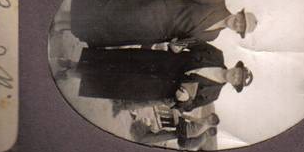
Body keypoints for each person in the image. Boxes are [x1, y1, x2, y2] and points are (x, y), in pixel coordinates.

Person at [66, 0, 258, 49]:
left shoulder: (213, 36)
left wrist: (176, 48)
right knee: (111, 14)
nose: (238, 23)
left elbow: (183, 43)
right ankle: (65, 19)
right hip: (153, 11)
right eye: (241, 19)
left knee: (113, 30)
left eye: (241, 27)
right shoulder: (217, 1)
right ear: (238, 13)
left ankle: (67, 27)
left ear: (238, 32)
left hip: (154, 33)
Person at [74, 42, 253, 111]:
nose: (235, 76)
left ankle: (73, 74)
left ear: (234, 85)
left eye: (238, 80)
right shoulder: (216, 55)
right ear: (236, 67)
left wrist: (184, 100)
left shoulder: (213, 94)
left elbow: (189, 107)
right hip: (159, 61)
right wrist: (179, 46)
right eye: (239, 72)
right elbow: (194, 42)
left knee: (119, 83)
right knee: (122, 60)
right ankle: (76, 63)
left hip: (158, 87)